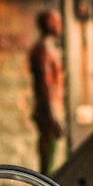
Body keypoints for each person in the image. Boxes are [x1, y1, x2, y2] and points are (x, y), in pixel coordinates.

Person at [29, 9, 66, 173]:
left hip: (51, 107)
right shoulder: (43, 50)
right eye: (57, 21)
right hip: (48, 110)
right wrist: (54, 115)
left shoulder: (47, 48)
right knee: (48, 155)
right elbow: (46, 85)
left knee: (52, 152)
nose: (60, 25)